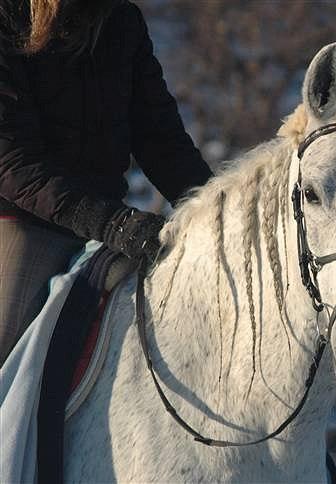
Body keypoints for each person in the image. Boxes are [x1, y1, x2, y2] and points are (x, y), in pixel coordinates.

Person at [0, 0, 212, 364]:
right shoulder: (7, 13)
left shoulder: (120, 19)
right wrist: (110, 221)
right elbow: (10, 158)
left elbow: (161, 139)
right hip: (23, 223)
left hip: (105, 228)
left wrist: (218, 212)